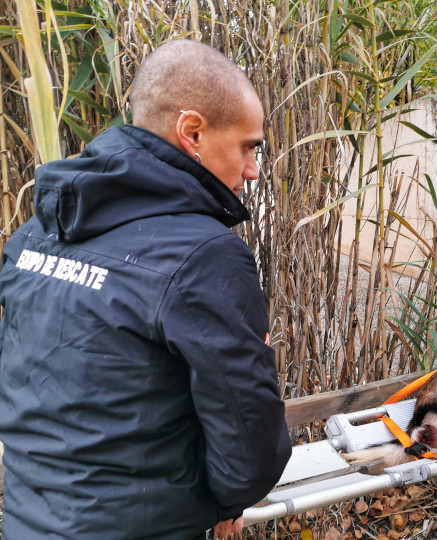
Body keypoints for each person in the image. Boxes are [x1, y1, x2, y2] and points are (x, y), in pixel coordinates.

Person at [0, 40, 291, 539]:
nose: (253, 169)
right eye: (248, 146)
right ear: (192, 132)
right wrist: (227, 501)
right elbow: (248, 430)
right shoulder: (203, 255)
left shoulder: (35, 235)